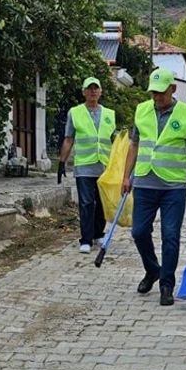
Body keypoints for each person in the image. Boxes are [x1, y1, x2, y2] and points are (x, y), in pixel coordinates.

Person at [121, 68, 186, 306]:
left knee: (170, 236)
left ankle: (166, 284)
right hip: (145, 182)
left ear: (172, 89)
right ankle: (152, 269)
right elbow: (134, 145)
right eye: (153, 93)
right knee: (139, 231)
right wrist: (125, 176)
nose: (157, 97)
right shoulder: (141, 110)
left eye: (161, 92)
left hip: (173, 187)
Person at [59, 77, 114, 253]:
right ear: (83, 92)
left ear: (100, 91)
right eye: (89, 89)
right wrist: (62, 162)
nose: (92, 92)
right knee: (86, 203)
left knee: (101, 202)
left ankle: (98, 233)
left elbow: (113, 140)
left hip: (104, 166)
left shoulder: (109, 114)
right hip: (84, 165)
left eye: (95, 88)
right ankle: (86, 239)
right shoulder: (75, 112)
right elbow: (69, 139)